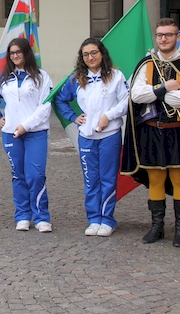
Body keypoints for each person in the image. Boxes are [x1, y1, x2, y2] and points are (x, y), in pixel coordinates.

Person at [121, 18, 180, 247]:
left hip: (177, 133)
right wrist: (165, 88)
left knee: (179, 179)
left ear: (177, 37)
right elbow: (137, 96)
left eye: (169, 35)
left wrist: (154, 92)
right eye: (160, 35)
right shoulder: (146, 64)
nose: (164, 39)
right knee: (155, 179)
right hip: (152, 131)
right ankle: (157, 227)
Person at [55, 39, 128, 237]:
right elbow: (60, 99)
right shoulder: (77, 79)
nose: (90, 57)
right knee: (91, 180)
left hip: (110, 135)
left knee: (108, 179)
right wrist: (73, 117)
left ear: (102, 53)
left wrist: (109, 116)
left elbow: (126, 100)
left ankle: (107, 219)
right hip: (86, 136)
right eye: (86, 54)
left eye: (94, 53)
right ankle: (94, 219)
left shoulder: (115, 76)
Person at [0, 38, 54, 232]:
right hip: (11, 135)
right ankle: (23, 215)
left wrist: (26, 125)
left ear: (27, 53)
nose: (15, 56)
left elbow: (46, 106)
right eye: (12, 53)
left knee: (35, 175)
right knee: (18, 175)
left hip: (35, 133)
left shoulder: (42, 77)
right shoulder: (3, 79)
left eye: (19, 52)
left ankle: (41, 216)